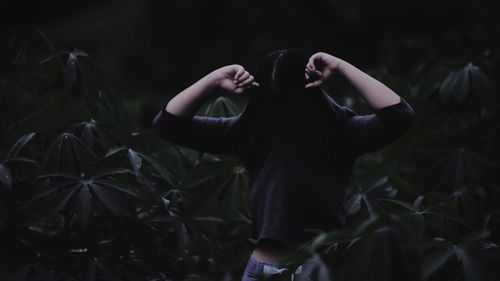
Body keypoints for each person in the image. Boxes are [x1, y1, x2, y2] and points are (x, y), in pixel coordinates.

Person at [151, 49, 416, 280]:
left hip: (314, 269)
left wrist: (340, 66)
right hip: (266, 269)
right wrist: (217, 77)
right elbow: (167, 124)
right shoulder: (251, 130)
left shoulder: (340, 129)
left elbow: (401, 116)